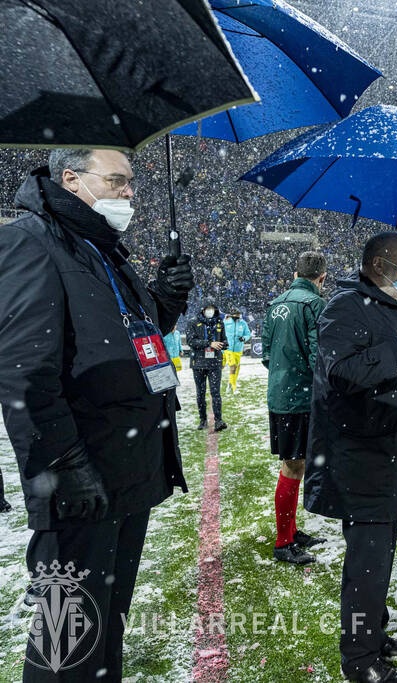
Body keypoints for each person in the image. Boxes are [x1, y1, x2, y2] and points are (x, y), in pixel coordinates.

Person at [0, 148, 193, 681]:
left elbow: (133, 336)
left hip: (127, 468)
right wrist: (64, 465)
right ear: (72, 179)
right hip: (83, 475)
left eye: (130, 183)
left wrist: (165, 297)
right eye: (117, 181)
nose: (129, 193)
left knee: (106, 627)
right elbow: (23, 373)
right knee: (67, 644)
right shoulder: (32, 241)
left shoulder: (102, 247)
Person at [305, 232, 397, 683]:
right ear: (380, 265)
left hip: (391, 458)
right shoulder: (344, 307)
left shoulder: (396, 306)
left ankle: (374, 636)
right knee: (367, 567)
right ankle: (361, 661)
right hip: (362, 460)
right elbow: (342, 373)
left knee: (378, 562)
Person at [262, 251, 328, 565]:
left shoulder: (275, 303)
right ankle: (283, 542)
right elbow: (320, 358)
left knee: (294, 465)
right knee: (293, 466)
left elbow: (265, 354)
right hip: (301, 399)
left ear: (295, 274)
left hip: (280, 396)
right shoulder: (315, 304)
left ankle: (290, 530)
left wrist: (284, 374)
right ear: (322, 278)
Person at [187, 299, 228, 431]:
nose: (210, 311)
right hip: (198, 363)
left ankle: (219, 420)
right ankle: (203, 419)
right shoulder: (193, 322)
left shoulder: (219, 322)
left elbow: (224, 339)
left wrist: (223, 344)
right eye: (208, 308)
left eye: (212, 308)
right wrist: (209, 343)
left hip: (215, 362)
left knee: (216, 392)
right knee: (201, 392)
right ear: (203, 310)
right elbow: (191, 341)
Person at [223, 308, 252, 393]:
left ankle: (230, 383)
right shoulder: (226, 322)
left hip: (238, 349)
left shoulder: (243, 323)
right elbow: (220, 333)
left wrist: (244, 338)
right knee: (232, 366)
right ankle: (234, 388)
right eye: (236, 314)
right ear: (231, 315)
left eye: (238, 314)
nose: (237, 316)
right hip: (228, 348)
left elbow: (248, 334)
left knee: (236, 367)